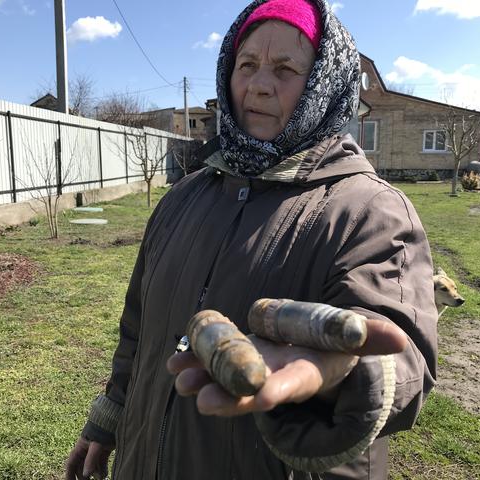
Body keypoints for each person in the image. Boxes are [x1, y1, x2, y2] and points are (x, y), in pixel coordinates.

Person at [65, 0, 437, 478]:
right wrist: (112, 415)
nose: (260, 85)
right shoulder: (183, 198)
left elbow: (401, 352)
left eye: (285, 69)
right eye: (247, 65)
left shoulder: (369, 211)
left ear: (325, 86)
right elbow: (140, 327)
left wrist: (341, 372)